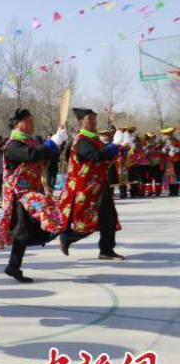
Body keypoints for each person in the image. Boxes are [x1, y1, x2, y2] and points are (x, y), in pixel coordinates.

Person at [0, 109, 67, 283]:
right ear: (17, 124)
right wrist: (53, 141)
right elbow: (32, 155)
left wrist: (59, 142)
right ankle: (67, 237)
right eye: (28, 121)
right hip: (20, 195)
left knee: (23, 233)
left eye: (32, 121)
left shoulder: (30, 142)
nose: (32, 124)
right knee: (49, 216)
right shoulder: (12, 145)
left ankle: (13, 266)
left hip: (32, 192)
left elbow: (44, 156)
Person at [59, 108, 130, 261]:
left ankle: (106, 250)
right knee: (89, 220)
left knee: (109, 217)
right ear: (81, 122)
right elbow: (95, 156)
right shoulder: (81, 140)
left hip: (100, 185)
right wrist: (114, 145)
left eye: (94, 119)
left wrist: (121, 148)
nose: (93, 122)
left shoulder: (94, 139)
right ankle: (68, 237)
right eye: (89, 119)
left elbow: (105, 156)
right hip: (87, 188)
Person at [161, 127, 179, 196]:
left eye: (168, 134)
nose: (167, 136)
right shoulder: (165, 142)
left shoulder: (176, 141)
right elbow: (162, 151)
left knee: (176, 176)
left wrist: (173, 149)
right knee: (170, 177)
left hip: (176, 161)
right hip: (168, 162)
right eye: (166, 135)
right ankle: (171, 191)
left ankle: (176, 190)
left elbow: (178, 150)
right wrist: (165, 149)